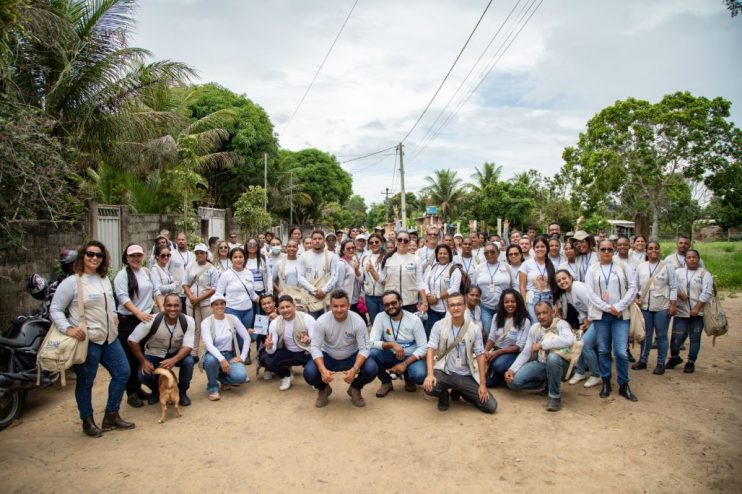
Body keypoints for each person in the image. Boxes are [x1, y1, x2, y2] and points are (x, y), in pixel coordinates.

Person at [50, 240, 134, 437]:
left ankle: (111, 415)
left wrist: (114, 317)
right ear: (82, 256)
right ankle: (87, 420)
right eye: (90, 254)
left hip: (109, 337)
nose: (95, 258)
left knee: (123, 372)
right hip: (88, 340)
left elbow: (109, 303)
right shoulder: (72, 282)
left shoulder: (103, 279)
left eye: (99, 255)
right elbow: (55, 309)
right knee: (86, 381)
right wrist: (68, 328)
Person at [423, 292, 496, 414]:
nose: (456, 308)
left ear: (465, 306)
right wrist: (430, 374)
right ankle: (443, 395)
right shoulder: (439, 325)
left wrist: (482, 384)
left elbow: (480, 355)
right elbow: (430, 349)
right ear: (448, 308)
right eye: (452, 305)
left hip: (465, 374)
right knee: (429, 387)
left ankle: (460, 390)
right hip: (445, 371)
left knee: (491, 406)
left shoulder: (474, 329)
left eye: (459, 304)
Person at [303, 290, 378, 408]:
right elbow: (315, 346)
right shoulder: (322, 321)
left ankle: (355, 388)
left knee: (372, 368)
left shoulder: (358, 321)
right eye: (335, 306)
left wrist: (354, 369)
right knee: (309, 372)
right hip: (328, 356)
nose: (339, 309)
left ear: (349, 306)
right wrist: (322, 370)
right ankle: (323, 388)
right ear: (330, 306)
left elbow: (364, 348)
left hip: (352, 356)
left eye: (342, 306)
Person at [585, 239, 639, 401]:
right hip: (601, 315)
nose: (607, 252)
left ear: (614, 250)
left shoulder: (623, 267)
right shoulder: (592, 269)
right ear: (598, 251)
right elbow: (590, 293)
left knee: (621, 352)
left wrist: (620, 306)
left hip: (620, 315)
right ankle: (606, 381)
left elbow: (633, 287)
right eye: (603, 249)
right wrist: (608, 308)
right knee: (603, 350)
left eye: (609, 249)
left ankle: (624, 384)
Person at [504, 301, 575, 412]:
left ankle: (554, 396)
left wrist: (542, 345)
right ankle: (546, 384)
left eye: (544, 313)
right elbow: (526, 352)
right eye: (538, 314)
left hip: (563, 366)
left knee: (553, 358)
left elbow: (568, 340)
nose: (541, 316)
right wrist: (512, 369)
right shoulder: (535, 328)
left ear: (552, 312)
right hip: (542, 364)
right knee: (513, 383)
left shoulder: (561, 324)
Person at [127, 294, 195, 407]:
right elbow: (132, 340)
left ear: (181, 306)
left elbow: (188, 346)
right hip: (155, 353)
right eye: (169, 305)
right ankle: (156, 390)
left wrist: (174, 359)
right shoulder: (152, 320)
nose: (172, 309)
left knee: (189, 362)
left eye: (176, 305)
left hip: (175, 352)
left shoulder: (188, 321)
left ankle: (182, 392)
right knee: (143, 375)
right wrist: (143, 361)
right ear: (163, 306)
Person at [114, 243, 156, 408]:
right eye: (132, 256)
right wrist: (138, 313)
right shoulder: (122, 275)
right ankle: (131, 392)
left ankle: (138, 388)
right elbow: (123, 297)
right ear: (127, 257)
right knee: (130, 358)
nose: (136, 258)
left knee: (142, 355)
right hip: (129, 320)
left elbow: (155, 291)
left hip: (145, 319)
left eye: (138, 255)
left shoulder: (145, 272)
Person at [368, 290, 428, 397]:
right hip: (390, 355)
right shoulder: (380, 317)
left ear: (401, 302)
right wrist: (391, 344)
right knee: (372, 353)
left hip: (410, 356)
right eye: (386, 305)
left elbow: (423, 347)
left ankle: (409, 378)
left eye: (393, 303)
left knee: (419, 375)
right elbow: (371, 343)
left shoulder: (414, 319)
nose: (390, 307)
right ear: (383, 307)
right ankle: (386, 382)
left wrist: (404, 364)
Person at [633, 241, 677, 375]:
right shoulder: (641, 267)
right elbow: (635, 285)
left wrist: (673, 304)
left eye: (656, 248)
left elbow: (673, 286)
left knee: (661, 335)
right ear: (646, 251)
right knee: (646, 336)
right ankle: (643, 360)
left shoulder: (667, 267)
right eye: (650, 248)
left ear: (659, 250)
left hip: (662, 307)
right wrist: (635, 298)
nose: (653, 251)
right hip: (645, 306)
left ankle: (660, 363)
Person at [667, 249, 712, 374]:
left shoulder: (705, 274)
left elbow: (707, 292)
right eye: (689, 257)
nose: (692, 259)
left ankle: (691, 362)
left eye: (694, 257)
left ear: (698, 259)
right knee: (676, 338)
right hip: (681, 311)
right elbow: (672, 286)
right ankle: (675, 357)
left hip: (698, 313)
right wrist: (679, 294)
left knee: (695, 338)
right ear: (685, 260)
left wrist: (697, 308)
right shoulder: (678, 272)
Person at [556, 269, 601, 388]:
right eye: (559, 281)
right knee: (576, 341)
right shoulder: (567, 294)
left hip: (599, 318)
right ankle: (580, 372)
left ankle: (596, 374)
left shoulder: (577, 287)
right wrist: (584, 321)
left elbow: (592, 303)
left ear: (570, 278)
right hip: (589, 320)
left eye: (564, 278)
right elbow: (580, 309)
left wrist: (589, 320)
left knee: (585, 344)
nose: (562, 282)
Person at [200, 294, 249, 401]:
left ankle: (222, 379)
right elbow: (208, 344)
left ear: (225, 305)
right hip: (213, 355)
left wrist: (242, 357)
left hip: (229, 355)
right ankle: (213, 388)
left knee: (241, 377)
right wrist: (221, 359)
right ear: (211, 306)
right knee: (210, 361)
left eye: (222, 304)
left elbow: (246, 337)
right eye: (216, 304)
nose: (220, 306)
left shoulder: (232, 318)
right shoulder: (206, 322)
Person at [215, 246, 259, 364]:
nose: (238, 259)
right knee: (235, 335)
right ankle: (236, 356)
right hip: (232, 310)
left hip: (248, 310)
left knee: (246, 333)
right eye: (235, 257)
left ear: (244, 258)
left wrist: (263, 301)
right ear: (231, 259)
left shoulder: (249, 273)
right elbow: (219, 293)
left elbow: (252, 293)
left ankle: (246, 353)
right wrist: (220, 309)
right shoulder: (226, 275)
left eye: (241, 257)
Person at [262, 295, 316, 391]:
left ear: (294, 306)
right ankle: (286, 376)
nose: (285, 310)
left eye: (288, 306)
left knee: (311, 372)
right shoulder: (275, 323)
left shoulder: (307, 318)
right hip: (289, 352)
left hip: (308, 352)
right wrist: (269, 347)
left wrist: (309, 340)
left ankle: (315, 379)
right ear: (278, 309)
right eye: (282, 308)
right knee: (268, 359)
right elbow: (271, 351)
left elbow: (318, 342)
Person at [484, 289, 530, 387]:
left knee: (498, 365)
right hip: (496, 351)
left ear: (518, 303)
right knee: (489, 383)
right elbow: (492, 338)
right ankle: (498, 376)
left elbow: (519, 346)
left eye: (513, 301)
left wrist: (498, 353)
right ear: (502, 303)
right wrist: (485, 351)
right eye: (506, 302)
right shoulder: (496, 317)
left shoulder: (524, 321)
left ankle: (505, 371)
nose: (510, 304)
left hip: (512, 353)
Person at [182, 243, 218, 357]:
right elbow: (185, 283)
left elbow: (214, 288)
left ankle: (208, 351)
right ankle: (193, 352)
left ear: (206, 254)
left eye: (202, 253)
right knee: (194, 328)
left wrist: (199, 298)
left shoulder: (212, 269)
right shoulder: (190, 266)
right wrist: (191, 297)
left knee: (207, 327)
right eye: (197, 253)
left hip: (206, 303)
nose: (199, 255)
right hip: (192, 302)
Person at [475, 243, 518, 338]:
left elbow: (515, 285)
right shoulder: (479, 268)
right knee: (487, 331)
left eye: (492, 252)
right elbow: (474, 286)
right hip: (485, 306)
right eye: (486, 253)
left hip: (504, 306)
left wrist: (516, 300)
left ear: (498, 253)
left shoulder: (507, 267)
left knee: (502, 332)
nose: (489, 254)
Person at [379, 231, 427, 313]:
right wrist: (372, 271)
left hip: (410, 302)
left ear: (409, 242)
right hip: (391, 302)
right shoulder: (387, 258)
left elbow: (420, 281)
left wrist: (424, 301)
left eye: (405, 240)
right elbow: (381, 279)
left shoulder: (416, 259)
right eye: (400, 239)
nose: (402, 242)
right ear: (396, 240)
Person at [298, 230, 339, 319]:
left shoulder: (332, 256)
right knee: (311, 324)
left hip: (326, 297)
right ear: (311, 240)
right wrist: (314, 291)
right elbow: (300, 277)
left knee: (327, 323)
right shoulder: (303, 256)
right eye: (315, 239)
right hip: (310, 298)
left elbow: (335, 275)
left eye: (320, 238)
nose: (317, 241)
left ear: (324, 240)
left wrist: (324, 290)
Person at [424, 244, 462, 336]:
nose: (442, 255)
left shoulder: (454, 270)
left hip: (447, 310)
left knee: (446, 335)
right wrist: (428, 295)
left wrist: (436, 297)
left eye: (445, 253)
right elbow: (425, 282)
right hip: (432, 309)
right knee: (431, 334)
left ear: (449, 255)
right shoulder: (433, 267)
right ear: (437, 255)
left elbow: (454, 289)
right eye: (440, 253)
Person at [519, 236, 558, 323]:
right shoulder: (526, 264)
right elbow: (522, 286)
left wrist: (555, 304)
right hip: (532, 298)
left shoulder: (553, 265)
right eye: (537, 247)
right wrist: (524, 304)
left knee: (548, 325)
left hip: (548, 298)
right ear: (533, 248)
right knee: (535, 325)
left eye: (542, 246)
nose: (540, 249)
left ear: (547, 248)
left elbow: (554, 286)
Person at [360, 233, 385, 325]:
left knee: (385, 324)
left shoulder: (386, 258)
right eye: (371, 242)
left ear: (382, 243)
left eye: (377, 242)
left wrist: (372, 271)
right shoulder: (365, 258)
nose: (374, 244)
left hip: (384, 296)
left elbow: (384, 281)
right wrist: (356, 270)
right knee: (374, 323)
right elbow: (361, 279)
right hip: (370, 297)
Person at [336, 239, 363, 314]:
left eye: (353, 248)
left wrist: (356, 270)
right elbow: (339, 285)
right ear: (343, 251)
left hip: (357, 299)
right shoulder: (341, 264)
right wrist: (344, 301)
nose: (351, 250)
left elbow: (361, 280)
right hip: (348, 301)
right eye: (348, 248)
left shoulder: (354, 260)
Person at [170, 232, 193, 309]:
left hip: (190, 291)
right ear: (176, 241)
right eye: (179, 240)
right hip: (176, 291)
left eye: (183, 239)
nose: (181, 241)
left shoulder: (192, 255)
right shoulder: (171, 255)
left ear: (187, 241)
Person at [151, 243, 176, 312]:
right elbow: (158, 288)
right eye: (163, 256)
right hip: (160, 305)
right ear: (157, 256)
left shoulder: (165, 267)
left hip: (168, 302)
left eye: (168, 255)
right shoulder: (155, 269)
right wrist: (173, 286)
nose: (166, 257)